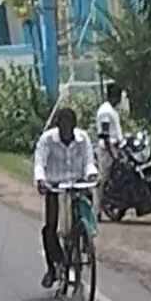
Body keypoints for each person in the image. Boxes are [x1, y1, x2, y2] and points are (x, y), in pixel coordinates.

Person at [33, 105, 98, 288]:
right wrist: (41, 180)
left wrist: (91, 174)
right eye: (63, 127)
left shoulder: (83, 139)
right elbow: (40, 163)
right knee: (50, 227)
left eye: (69, 127)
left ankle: (86, 239)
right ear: (58, 126)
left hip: (77, 184)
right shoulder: (47, 140)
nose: (66, 131)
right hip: (55, 187)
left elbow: (89, 161)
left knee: (86, 209)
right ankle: (53, 267)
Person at [93, 84, 124, 180]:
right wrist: (112, 154)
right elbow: (105, 135)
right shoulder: (105, 111)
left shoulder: (111, 109)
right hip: (108, 150)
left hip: (114, 148)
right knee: (105, 178)